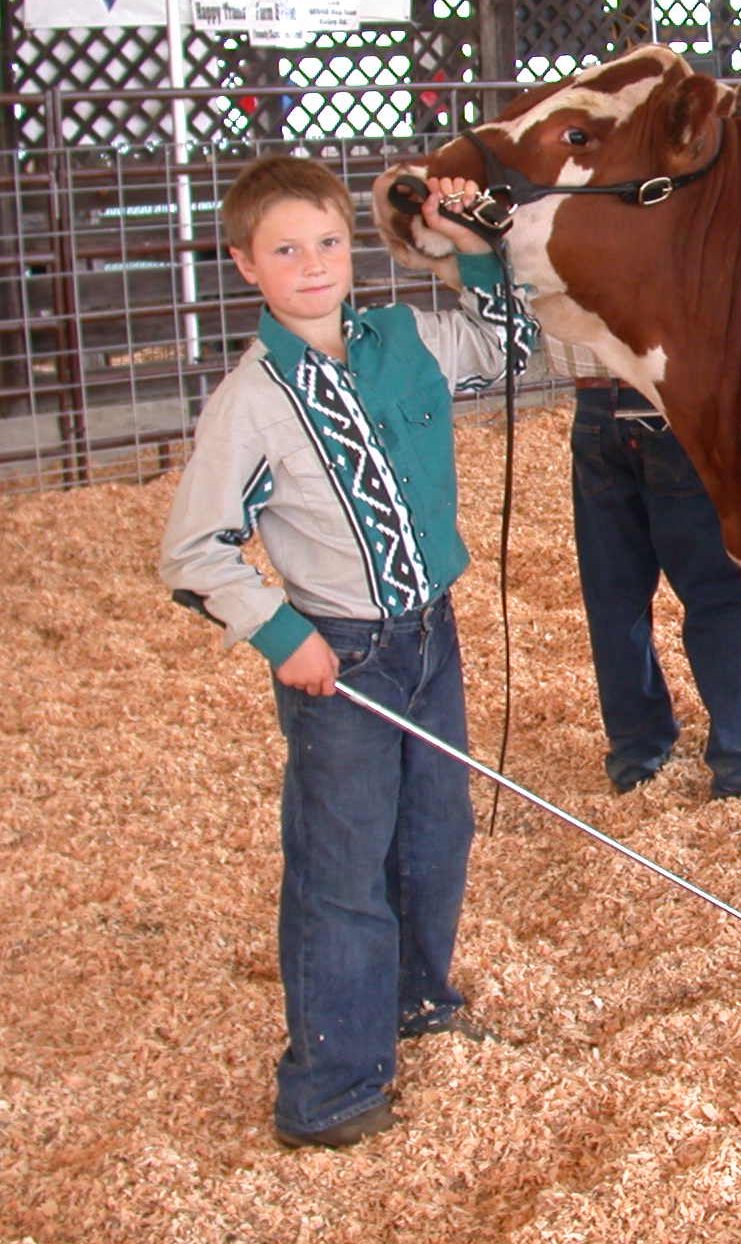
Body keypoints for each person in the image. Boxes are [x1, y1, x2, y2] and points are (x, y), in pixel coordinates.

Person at [159, 156, 537, 1150]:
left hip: (430, 633)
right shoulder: (250, 400)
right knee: (340, 867)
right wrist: (285, 637)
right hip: (346, 658)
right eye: (284, 250)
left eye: (326, 242)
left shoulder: (404, 337)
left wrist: (470, 250)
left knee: (435, 833)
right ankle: (330, 1083)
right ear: (245, 265)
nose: (312, 264)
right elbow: (193, 553)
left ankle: (418, 1001)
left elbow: (510, 346)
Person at [545, 332, 741, 798]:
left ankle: (635, 753)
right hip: (671, 406)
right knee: (718, 593)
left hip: (593, 406)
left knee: (614, 595)